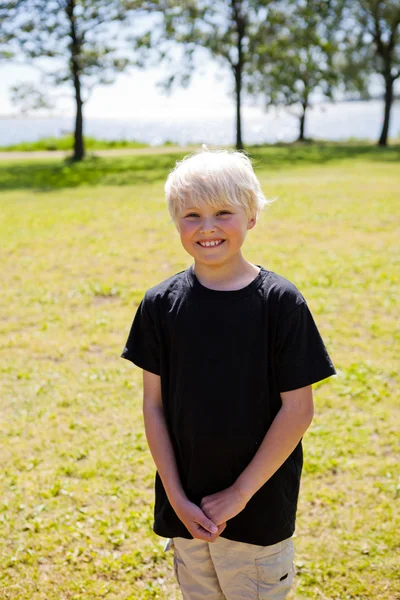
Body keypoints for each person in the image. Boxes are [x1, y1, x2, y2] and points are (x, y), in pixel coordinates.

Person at [121, 149, 336, 600]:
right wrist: (177, 497)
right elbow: (153, 406)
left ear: (251, 216)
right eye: (191, 215)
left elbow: (298, 411)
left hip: (257, 512)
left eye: (223, 212)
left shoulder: (281, 304)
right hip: (187, 511)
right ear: (176, 221)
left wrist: (239, 493)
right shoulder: (160, 305)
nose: (207, 227)